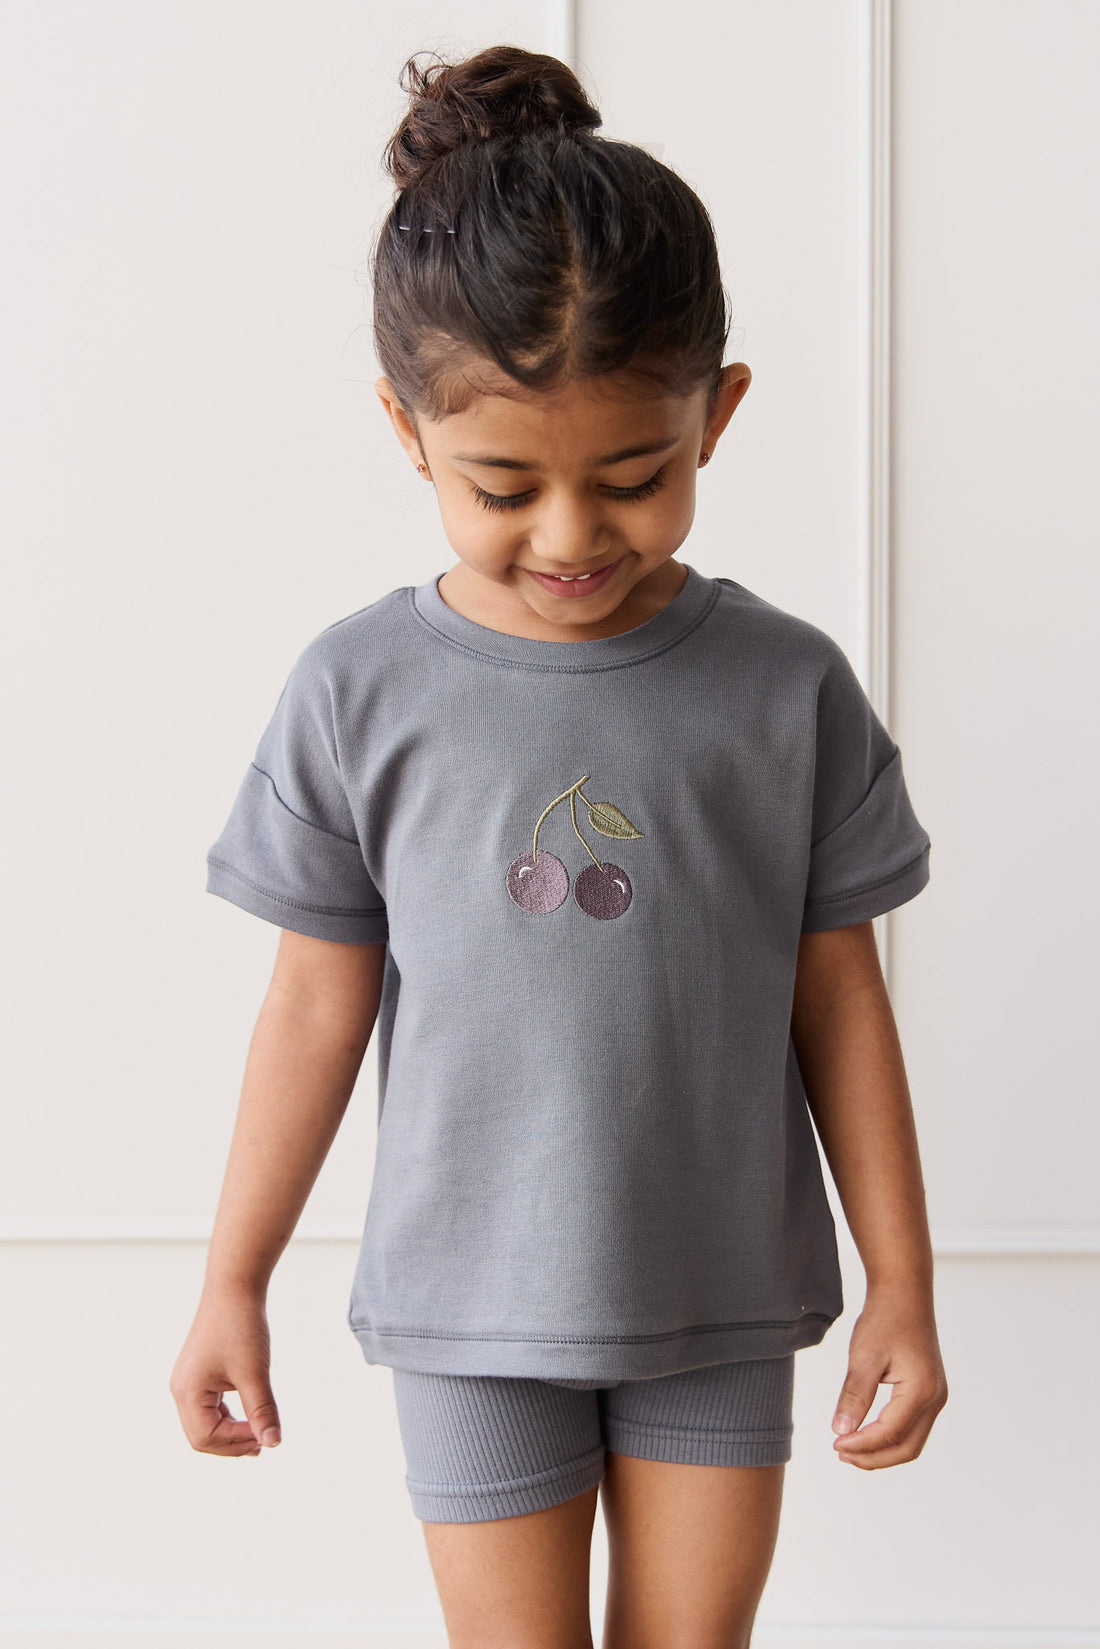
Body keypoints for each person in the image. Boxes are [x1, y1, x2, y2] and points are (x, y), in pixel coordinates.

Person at [170, 42, 949, 1648]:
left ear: (717, 416)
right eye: (504, 485)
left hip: (719, 1296)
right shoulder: (356, 691)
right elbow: (312, 1006)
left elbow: (842, 1000)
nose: (572, 535)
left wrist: (905, 1281)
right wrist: (231, 1277)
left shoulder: (786, 687)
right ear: (408, 432)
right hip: (467, 1309)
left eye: (635, 477)